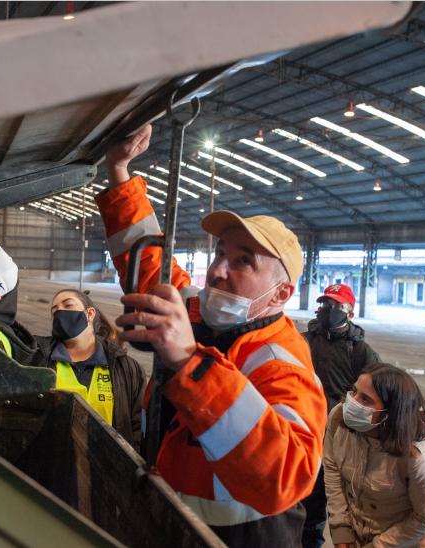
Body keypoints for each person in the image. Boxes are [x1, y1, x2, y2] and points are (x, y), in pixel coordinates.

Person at [96, 124, 327, 546]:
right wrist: (119, 170)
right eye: (220, 252)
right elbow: (148, 261)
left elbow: (286, 475)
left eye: (244, 261)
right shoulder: (196, 311)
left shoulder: (281, 362)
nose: (219, 269)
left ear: (282, 294)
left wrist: (189, 363)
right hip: (165, 519)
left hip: (238, 538)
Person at [325, 363, 425, 548]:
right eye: (354, 391)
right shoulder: (338, 419)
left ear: (390, 413)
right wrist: (340, 528)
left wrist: (378, 545)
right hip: (356, 536)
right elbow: (332, 470)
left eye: (365, 399)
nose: (352, 402)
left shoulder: (416, 457)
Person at [300, 283, 381, 548]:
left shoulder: (361, 351)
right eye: (325, 304)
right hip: (302, 434)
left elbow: (379, 395)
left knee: (332, 507)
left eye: (336, 306)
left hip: (339, 441)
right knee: (299, 502)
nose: (329, 310)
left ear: (350, 312)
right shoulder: (303, 341)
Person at [19, 289, 146, 446]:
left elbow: (137, 426)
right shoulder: (39, 358)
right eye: (55, 310)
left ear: (90, 314)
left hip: (107, 465)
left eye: (68, 305)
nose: (60, 312)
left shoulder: (125, 367)